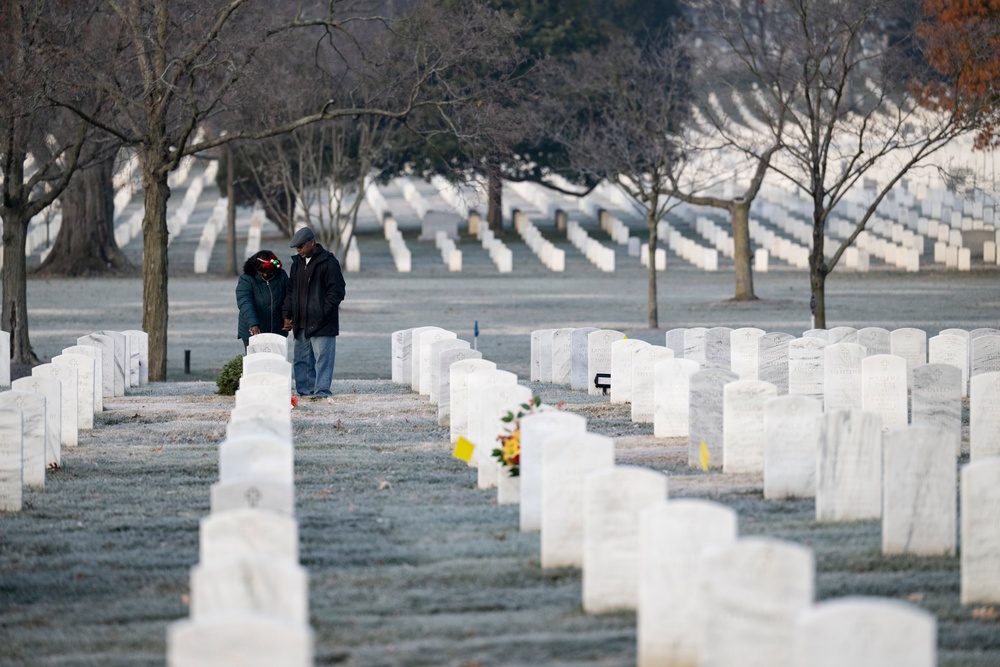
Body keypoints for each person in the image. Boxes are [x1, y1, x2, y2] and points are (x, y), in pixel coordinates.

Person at [282, 227, 346, 400]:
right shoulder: (297, 264)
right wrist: (287, 314)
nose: (298, 250)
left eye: (301, 246)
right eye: (296, 248)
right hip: (301, 321)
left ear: (311, 242)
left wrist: (323, 312)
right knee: (301, 359)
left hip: (322, 322)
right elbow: (291, 291)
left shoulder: (329, 262)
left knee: (323, 359)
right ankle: (305, 392)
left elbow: (337, 291)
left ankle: (321, 392)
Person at [236, 250, 290, 352]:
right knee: (255, 359)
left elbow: (289, 297)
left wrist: (287, 316)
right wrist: (253, 324)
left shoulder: (282, 276)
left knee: (276, 359)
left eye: (269, 272)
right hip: (253, 330)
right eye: (261, 272)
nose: (265, 275)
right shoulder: (246, 279)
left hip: (277, 330)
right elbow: (245, 302)